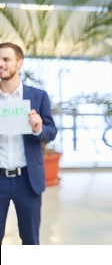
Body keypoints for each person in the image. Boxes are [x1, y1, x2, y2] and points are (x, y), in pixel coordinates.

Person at [0, 42, 58, 245]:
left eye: (6, 59)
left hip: (27, 180)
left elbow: (51, 132)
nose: (1, 64)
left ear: (19, 63)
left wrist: (38, 128)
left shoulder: (37, 96)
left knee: (31, 240)